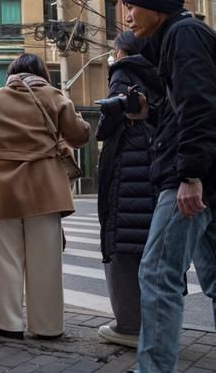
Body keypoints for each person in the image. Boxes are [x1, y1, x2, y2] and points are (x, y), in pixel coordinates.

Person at [120, 0, 216, 372]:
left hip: (193, 179)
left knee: (158, 274)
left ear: (157, 7)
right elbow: (185, 110)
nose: (127, 16)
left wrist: (189, 174)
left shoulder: (183, 34)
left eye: (133, 6)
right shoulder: (176, 40)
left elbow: (200, 106)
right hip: (203, 176)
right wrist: (150, 111)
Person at [0, 53, 89, 340]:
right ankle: (47, 326)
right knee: (46, 261)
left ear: (12, 72)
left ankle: (7, 324)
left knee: (6, 260)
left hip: (2, 188)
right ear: (42, 72)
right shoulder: (54, 95)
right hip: (45, 187)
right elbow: (79, 136)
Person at [95, 31, 161, 348]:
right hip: (155, 166)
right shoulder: (160, 69)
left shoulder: (123, 71)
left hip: (127, 168)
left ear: (121, 51)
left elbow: (115, 115)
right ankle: (158, 324)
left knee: (122, 246)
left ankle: (130, 327)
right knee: (151, 249)